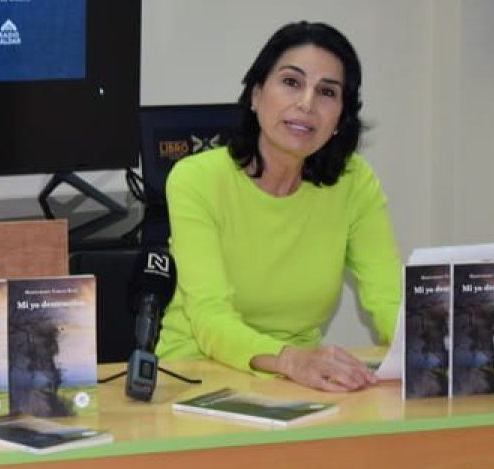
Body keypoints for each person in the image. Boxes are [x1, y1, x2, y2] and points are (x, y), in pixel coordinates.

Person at [157, 21, 401, 393]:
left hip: (300, 385)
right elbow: (210, 318)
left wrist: (431, 345)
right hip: (195, 376)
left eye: (327, 92)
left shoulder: (353, 182)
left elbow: (388, 296)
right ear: (256, 95)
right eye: (291, 82)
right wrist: (289, 359)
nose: (306, 104)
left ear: (339, 119)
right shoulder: (197, 179)